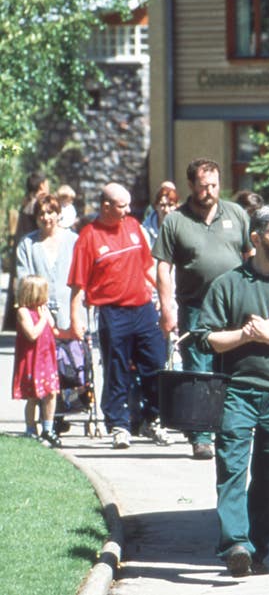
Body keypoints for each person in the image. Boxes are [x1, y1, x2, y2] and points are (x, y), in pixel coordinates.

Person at [197, 205, 269, 576]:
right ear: (255, 238)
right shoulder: (228, 284)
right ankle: (235, 542)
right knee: (232, 466)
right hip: (237, 391)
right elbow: (206, 339)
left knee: (268, 475)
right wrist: (245, 335)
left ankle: (257, 549)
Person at [153, 159, 252, 459]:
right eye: (203, 186)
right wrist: (166, 309)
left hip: (234, 307)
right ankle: (201, 435)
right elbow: (163, 267)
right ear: (191, 186)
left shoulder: (236, 214)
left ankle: (230, 427)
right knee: (198, 368)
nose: (209, 192)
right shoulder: (175, 221)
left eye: (214, 185)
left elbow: (250, 255)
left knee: (233, 367)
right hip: (196, 305)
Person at [67, 182, 171, 449]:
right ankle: (119, 426)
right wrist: (75, 321)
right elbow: (78, 286)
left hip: (144, 309)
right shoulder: (88, 237)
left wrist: (166, 302)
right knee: (116, 370)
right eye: (121, 206)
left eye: (128, 205)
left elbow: (148, 267)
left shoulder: (134, 227)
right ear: (106, 207)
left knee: (157, 364)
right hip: (113, 313)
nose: (127, 211)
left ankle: (152, 419)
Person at [12, 275, 63, 448]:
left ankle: (48, 428)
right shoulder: (23, 312)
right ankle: (30, 429)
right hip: (31, 360)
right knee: (33, 397)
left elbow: (53, 327)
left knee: (51, 393)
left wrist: (47, 315)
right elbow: (32, 334)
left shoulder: (43, 310)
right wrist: (42, 319)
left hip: (46, 358)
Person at [16, 195, 77, 330]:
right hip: (39, 318)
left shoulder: (74, 241)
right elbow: (24, 282)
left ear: (58, 214)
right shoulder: (27, 244)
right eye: (41, 213)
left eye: (50, 212)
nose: (45, 217)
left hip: (70, 315)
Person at [4, 171, 50, 331]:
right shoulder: (40, 202)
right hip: (34, 244)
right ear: (42, 184)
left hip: (22, 244)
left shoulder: (25, 202)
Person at [141, 181, 179, 247]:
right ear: (155, 206)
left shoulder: (184, 228)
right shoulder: (144, 230)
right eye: (162, 205)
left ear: (177, 206)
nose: (166, 210)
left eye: (170, 205)